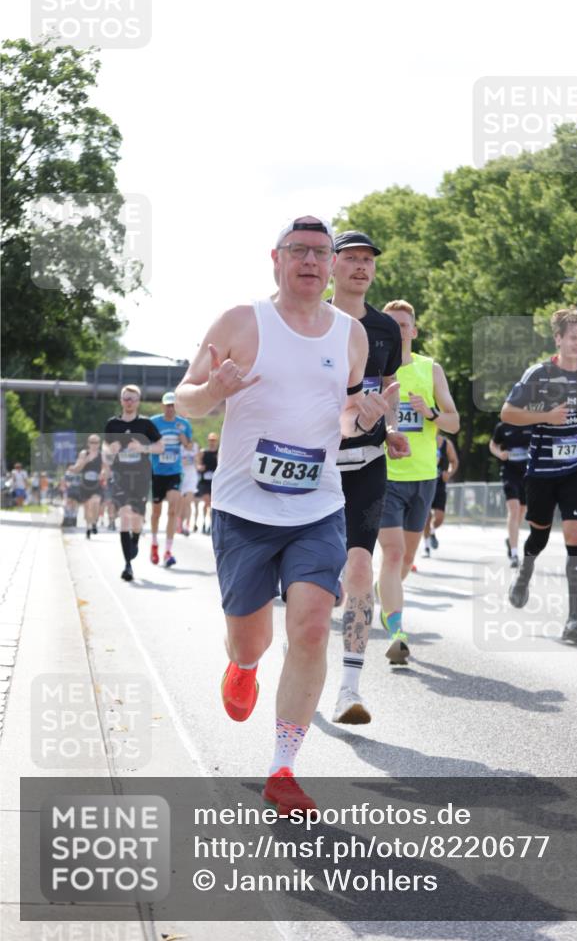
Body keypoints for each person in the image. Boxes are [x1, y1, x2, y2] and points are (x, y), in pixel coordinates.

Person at [175, 215, 398, 814]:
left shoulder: (350, 335)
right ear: (274, 259)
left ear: (330, 267)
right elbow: (184, 399)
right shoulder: (241, 322)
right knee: (252, 638)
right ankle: (242, 665)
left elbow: (344, 416)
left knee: (307, 627)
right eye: (297, 250)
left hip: (318, 505)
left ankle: (283, 767)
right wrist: (214, 390)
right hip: (244, 507)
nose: (309, 261)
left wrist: (366, 415)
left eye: (319, 253)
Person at [329, 230, 409, 726]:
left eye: (368, 260)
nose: (361, 266)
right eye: (352, 258)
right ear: (332, 265)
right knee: (312, 585)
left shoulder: (384, 328)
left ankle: (349, 689)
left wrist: (393, 427)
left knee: (361, 568)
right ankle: (301, 654)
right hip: (313, 466)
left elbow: (389, 386)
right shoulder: (311, 321)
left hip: (366, 462)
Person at [501, 306, 577, 642]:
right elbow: (508, 413)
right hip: (543, 471)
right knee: (540, 536)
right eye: (573, 337)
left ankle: (574, 619)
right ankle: (525, 572)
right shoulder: (539, 374)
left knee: (575, 537)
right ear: (558, 339)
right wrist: (544, 415)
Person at [376, 300, 460, 664]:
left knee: (407, 559)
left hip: (424, 477)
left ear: (414, 331)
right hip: (385, 475)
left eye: (404, 324)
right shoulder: (375, 369)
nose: (398, 330)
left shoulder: (430, 369)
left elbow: (454, 423)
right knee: (392, 553)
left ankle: (384, 595)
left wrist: (430, 413)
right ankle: (396, 631)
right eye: (391, 324)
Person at [104, 385, 163, 581]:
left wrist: (142, 447)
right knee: (124, 515)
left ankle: (135, 539)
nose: (129, 402)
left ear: (138, 402)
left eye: (132, 399)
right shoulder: (112, 424)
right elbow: (106, 449)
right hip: (120, 477)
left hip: (141, 478)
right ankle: (127, 565)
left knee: (136, 521)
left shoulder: (145, 424)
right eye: (126, 398)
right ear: (121, 400)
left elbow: (160, 447)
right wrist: (109, 449)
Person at [149, 392, 193, 567]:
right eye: (167, 405)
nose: (170, 408)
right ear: (162, 406)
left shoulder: (184, 424)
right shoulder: (154, 422)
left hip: (174, 471)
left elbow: (189, 446)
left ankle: (168, 551)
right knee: (156, 513)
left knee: (172, 510)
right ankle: (154, 544)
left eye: (173, 405)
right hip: (157, 472)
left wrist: (184, 440)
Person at [489, 420, 532, 567]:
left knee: (521, 511)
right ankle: (514, 554)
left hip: (526, 474)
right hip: (509, 473)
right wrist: (500, 453)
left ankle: (510, 539)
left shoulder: (531, 424)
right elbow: (493, 445)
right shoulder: (503, 426)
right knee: (513, 510)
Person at [422, 434, 459, 557]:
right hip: (424, 483)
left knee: (439, 517)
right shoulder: (420, 439)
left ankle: (432, 531)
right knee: (426, 517)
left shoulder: (445, 443)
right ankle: (426, 547)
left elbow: (454, 461)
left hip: (439, 485)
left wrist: (449, 473)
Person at [72, 434, 106, 538]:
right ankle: (88, 527)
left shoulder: (102, 455)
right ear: (88, 443)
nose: (94, 445)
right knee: (87, 507)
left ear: (99, 444)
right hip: (85, 484)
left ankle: (94, 522)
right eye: (92, 442)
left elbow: (105, 468)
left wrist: (103, 473)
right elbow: (77, 468)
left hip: (96, 484)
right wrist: (86, 460)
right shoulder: (84, 453)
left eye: (96, 442)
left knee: (95, 503)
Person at [196, 433, 219, 534]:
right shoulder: (203, 452)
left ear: (216, 441)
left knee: (212, 505)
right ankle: (204, 523)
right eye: (210, 440)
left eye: (214, 440)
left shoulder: (219, 453)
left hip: (215, 481)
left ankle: (210, 525)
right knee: (207, 502)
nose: (212, 442)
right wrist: (199, 467)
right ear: (208, 441)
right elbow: (197, 463)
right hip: (204, 481)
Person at [178, 436, 200, 535]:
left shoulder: (195, 447)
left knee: (188, 502)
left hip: (192, 478)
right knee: (181, 504)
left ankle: (187, 525)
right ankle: (180, 525)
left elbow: (197, 461)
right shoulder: (180, 448)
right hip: (182, 477)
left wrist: (195, 460)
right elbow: (179, 462)